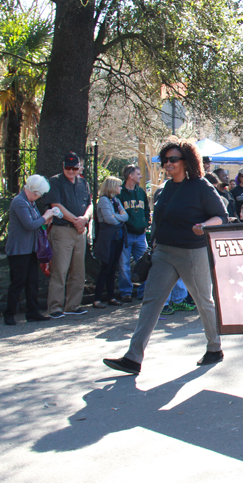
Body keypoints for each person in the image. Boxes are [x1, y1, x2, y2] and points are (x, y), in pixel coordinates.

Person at [103, 138, 228, 375]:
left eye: (173, 160)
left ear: (186, 162)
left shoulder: (201, 186)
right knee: (151, 301)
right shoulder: (167, 187)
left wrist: (204, 224)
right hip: (163, 252)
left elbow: (221, 216)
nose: (167, 164)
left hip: (192, 251)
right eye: (165, 160)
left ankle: (215, 348)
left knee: (203, 300)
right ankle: (133, 358)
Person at [39, 152, 92, 318]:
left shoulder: (83, 182)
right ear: (63, 167)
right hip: (62, 230)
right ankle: (55, 307)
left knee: (78, 271)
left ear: (79, 168)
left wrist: (84, 219)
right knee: (59, 270)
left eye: (74, 167)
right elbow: (56, 205)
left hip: (80, 231)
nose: (71, 170)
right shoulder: (55, 181)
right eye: (68, 167)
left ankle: (73, 305)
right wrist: (76, 221)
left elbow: (90, 204)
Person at [4, 175, 57, 325]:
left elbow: (36, 223)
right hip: (19, 250)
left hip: (31, 249)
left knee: (32, 282)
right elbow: (29, 224)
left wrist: (45, 220)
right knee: (18, 282)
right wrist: (45, 216)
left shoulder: (30, 202)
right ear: (34, 191)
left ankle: (33, 312)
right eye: (39, 193)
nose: (40, 196)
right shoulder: (20, 202)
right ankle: (9, 313)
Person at [93, 176, 128, 309]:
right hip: (107, 239)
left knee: (113, 268)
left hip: (118, 237)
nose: (120, 188)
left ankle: (111, 297)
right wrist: (119, 218)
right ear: (112, 187)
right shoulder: (103, 200)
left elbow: (126, 216)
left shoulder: (116, 200)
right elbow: (109, 219)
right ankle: (97, 298)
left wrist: (117, 217)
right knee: (105, 268)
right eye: (118, 186)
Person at [117, 165, 151, 302]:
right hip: (126, 234)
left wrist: (146, 222)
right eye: (138, 174)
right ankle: (126, 292)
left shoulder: (141, 192)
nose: (141, 176)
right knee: (124, 264)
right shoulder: (120, 193)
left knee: (145, 263)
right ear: (130, 176)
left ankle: (143, 292)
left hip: (141, 234)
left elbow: (147, 210)